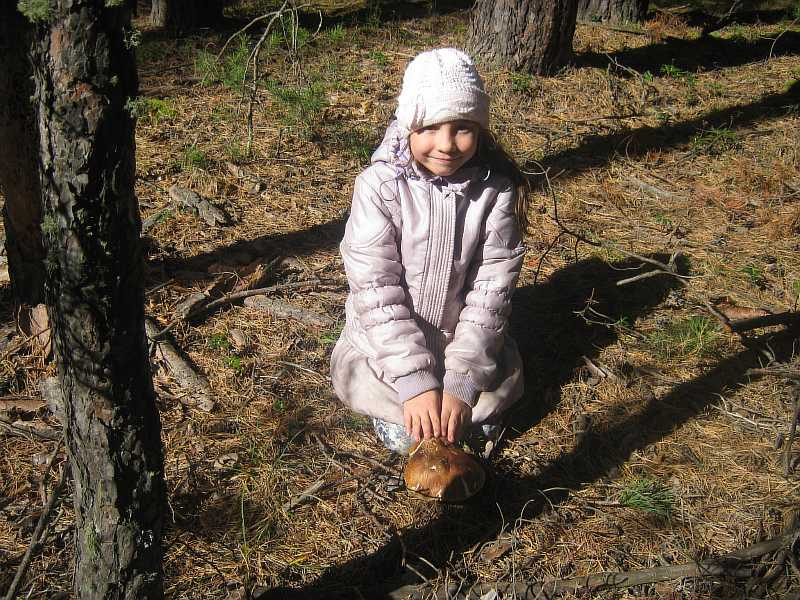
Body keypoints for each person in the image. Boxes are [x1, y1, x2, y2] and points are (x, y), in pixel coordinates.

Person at [330, 48, 528, 455]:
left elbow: (491, 293)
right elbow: (376, 291)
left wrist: (462, 380)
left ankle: (462, 393)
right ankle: (406, 397)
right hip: (388, 349)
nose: (447, 144)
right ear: (408, 126)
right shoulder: (379, 187)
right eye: (431, 127)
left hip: (464, 345)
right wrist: (415, 382)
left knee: (475, 417)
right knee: (411, 435)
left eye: (462, 128)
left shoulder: (495, 192)